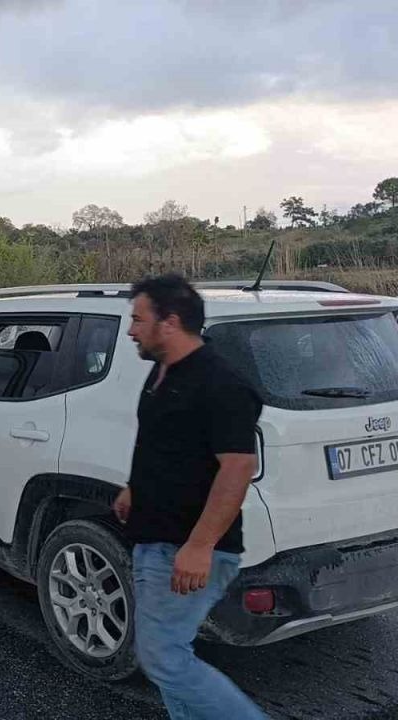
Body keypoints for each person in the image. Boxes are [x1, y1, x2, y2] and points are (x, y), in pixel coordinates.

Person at [113, 274, 266, 720]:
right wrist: (134, 488)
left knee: (163, 658)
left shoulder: (221, 384)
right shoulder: (162, 371)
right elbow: (165, 443)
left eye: (138, 319)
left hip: (189, 549)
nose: (131, 330)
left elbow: (237, 468)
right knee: (167, 661)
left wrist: (199, 546)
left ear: (170, 322)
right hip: (155, 539)